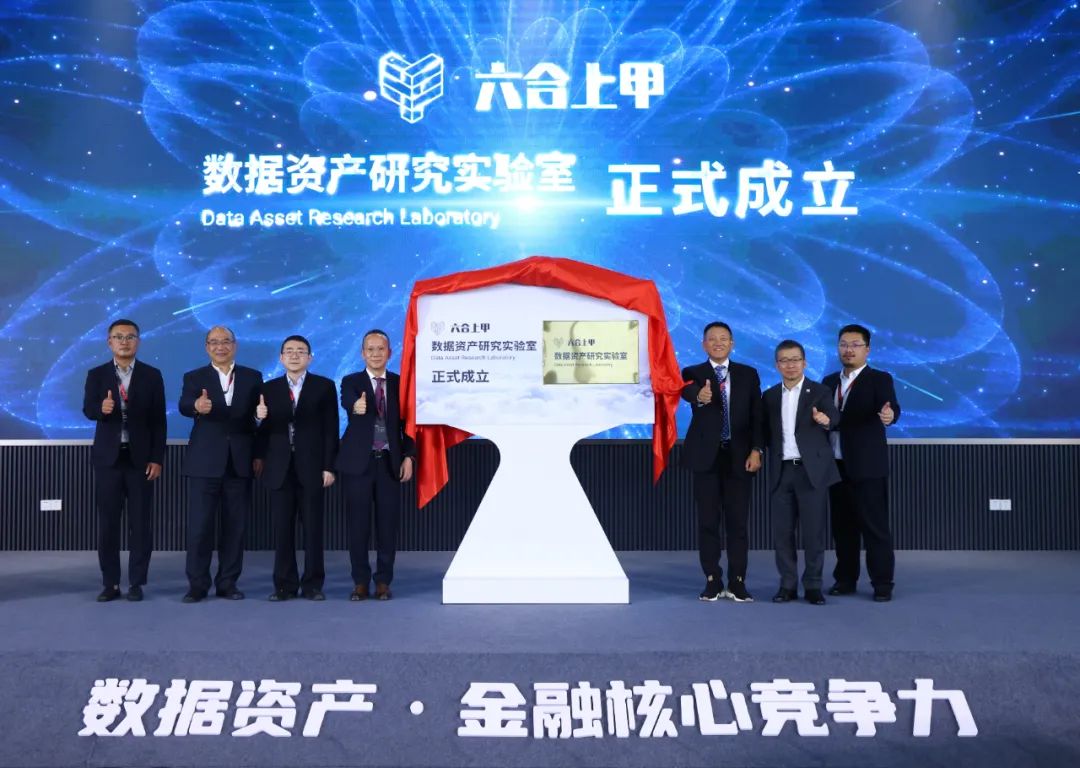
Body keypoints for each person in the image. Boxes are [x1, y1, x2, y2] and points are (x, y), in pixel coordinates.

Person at [82, 319, 166, 602]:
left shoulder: (152, 375)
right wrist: (102, 409)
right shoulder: (96, 374)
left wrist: (157, 458)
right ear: (110, 342)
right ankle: (110, 583)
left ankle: (137, 582)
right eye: (118, 337)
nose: (124, 341)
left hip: (140, 461)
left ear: (138, 341)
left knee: (140, 524)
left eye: (130, 337)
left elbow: (159, 421)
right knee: (108, 524)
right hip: (108, 460)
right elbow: (88, 409)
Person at [177, 325, 262, 603]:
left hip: (240, 461)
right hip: (205, 462)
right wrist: (195, 407)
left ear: (234, 346)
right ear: (206, 347)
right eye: (214, 342)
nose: (220, 346)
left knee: (235, 528)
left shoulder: (252, 377)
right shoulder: (194, 377)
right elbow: (184, 404)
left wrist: (258, 448)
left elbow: (256, 419)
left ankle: (228, 583)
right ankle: (197, 585)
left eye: (226, 341)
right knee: (200, 528)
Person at [681, 321, 764, 602]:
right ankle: (712, 580)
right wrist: (699, 396)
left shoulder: (748, 374)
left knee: (738, 522)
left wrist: (757, 449)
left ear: (732, 343)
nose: (718, 343)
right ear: (704, 344)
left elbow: (757, 415)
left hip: (739, 457)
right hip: (706, 458)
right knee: (708, 521)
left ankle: (737, 581)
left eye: (723, 338)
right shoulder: (693, 372)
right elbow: (687, 391)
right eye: (712, 339)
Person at [254, 335, 339, 602]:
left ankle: (313, 584)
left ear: (310, 358)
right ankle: (284, 585)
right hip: (279, 467)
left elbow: (331, 429)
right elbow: (262, 431)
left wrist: (329, 466)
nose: (294, 355)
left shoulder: (324, 386)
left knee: (313, 529)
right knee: (283, 530)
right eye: (289, 351)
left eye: (300, 351)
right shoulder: (268, 388)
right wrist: (257, 417)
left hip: (312, 466)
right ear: (281, 358)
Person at [822, 324, 901, 602]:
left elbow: (891, 408)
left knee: (875, 527)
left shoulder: (879, 379)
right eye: (844, 344)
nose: (848, 350)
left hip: (867, 466)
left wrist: (890, 415)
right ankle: (845, 579)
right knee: (843, 528)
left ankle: (882, 583)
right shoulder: (829, 381)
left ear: (867, 349)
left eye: (855, 345)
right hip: (836, 465)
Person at [336, 329, 415, 601]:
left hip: (390, 463)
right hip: (359, 464)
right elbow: (348, 401)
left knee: (387, 526)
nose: (376, 354)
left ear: (389, 353)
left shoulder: (400, 383)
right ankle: (360, 581)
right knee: (358, 526)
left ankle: (383, 581)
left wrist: (409, 456)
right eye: (370, 349)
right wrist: (356, 406)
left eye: (381, 349)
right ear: (363, 353)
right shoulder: (351, 381)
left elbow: (409, 425)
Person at [761, 340, 840, 605]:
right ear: (777, 365)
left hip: (811, 472)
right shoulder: (770, 396)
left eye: (795, 360)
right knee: (782, 533)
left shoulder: (819, 391)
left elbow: (834, 416)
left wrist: (826, 420)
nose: (790, 365)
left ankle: (814, 585)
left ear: (804, 363)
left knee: (813, 533)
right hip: (781, 471)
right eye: (784, 360)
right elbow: (762, 431)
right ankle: (787, 585)